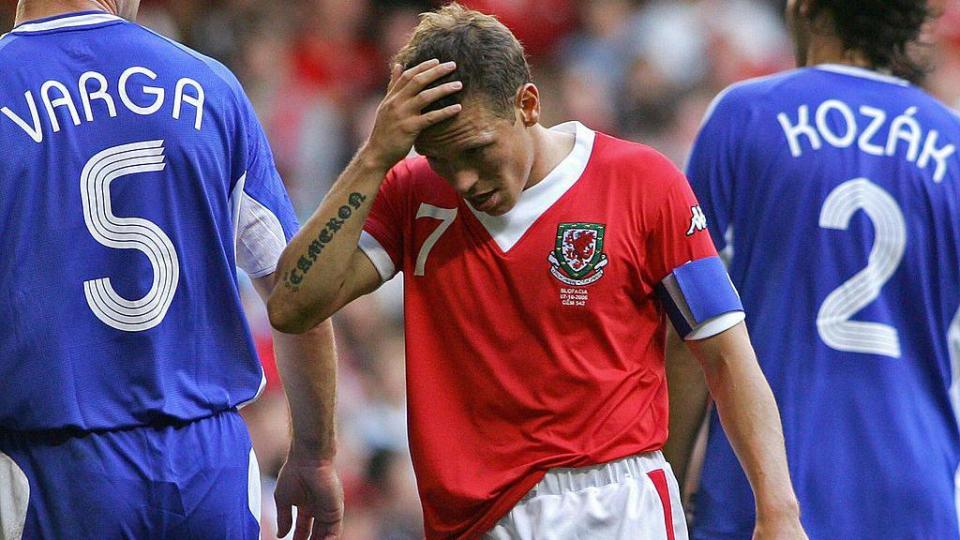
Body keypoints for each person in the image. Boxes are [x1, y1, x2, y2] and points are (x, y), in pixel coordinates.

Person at [268, 4, 806, 539]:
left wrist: (778, 510)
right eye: (441, 160)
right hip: (472, 520)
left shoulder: (641, 182)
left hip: (616, 506)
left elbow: (725, 355)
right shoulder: (411, 193)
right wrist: (374, 157)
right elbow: (292, 306)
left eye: (476, 150)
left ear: (527, 104)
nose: (463, 178)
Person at [0, 1, 342, 538]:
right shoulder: (209, 86)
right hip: (210, 467)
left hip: (56, 469)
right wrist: (315, 454)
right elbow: (297, 292)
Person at [674, 0, 960, 538]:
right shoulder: (953, 142)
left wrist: (663, 480)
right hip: (917, 489)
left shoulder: (744, 115)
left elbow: (691, 324)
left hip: (765, 490)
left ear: (804, 7)